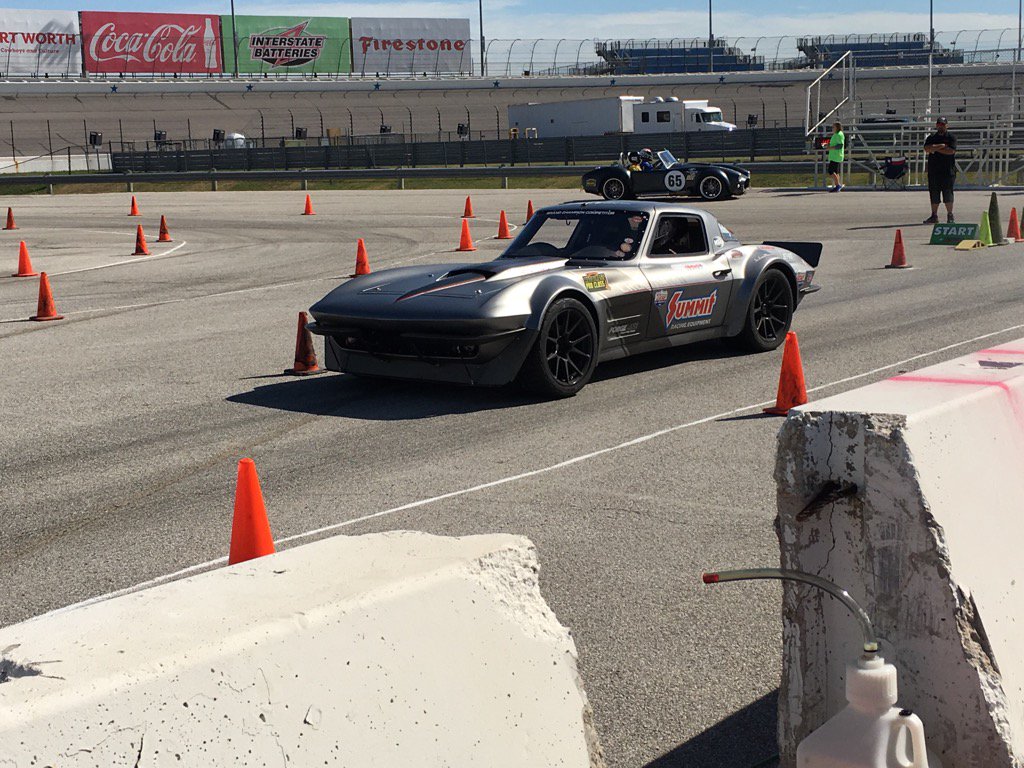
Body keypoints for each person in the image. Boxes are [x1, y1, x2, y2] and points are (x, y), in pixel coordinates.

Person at [923, 116, 957, 223]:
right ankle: (934, 215)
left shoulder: (951, 137)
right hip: (934, 170)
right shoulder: (931, 137)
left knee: (948, 193)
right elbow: (927, 148)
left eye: (943, 124)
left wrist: (935, 148)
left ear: (947, 125)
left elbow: (951, 151)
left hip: (948, 171)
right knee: (934, 193)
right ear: (936, 125)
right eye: (939, 124)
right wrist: (941, 146)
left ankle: (950, 215)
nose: (941, 126)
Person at [826, 121, 845, 192]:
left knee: (831, 171)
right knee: (836, 171)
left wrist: (830, 148)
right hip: (834, 155)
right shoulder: (835, 134)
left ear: (837, 127)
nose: (832, 128)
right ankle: (838, 185)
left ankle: (837, 185)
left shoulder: (839, 135)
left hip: (836, 156)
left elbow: (840, 146)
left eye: (833, 127)